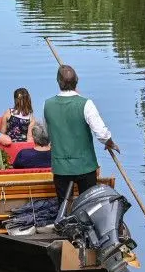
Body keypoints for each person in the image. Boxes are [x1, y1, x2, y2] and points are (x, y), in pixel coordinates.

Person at [43, 64, 117, 204]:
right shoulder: (86, 104)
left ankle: (65, 223)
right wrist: (110, 143)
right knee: (89, 205)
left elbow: (48, 134)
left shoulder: (47, 104)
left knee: (64, 206)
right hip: (85, 166)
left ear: (58, 82)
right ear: (77, 81)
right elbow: (102, 134)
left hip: (61, 167)